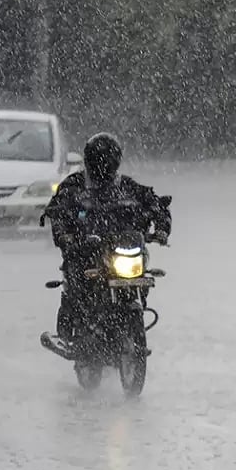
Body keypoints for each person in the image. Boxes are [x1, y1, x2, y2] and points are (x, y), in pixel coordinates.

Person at [44, 133, 171, 344]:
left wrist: (161, 229)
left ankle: (127, 325)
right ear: (89, 160)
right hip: (86, 251)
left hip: (121, 250)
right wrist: (66, 236)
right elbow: (57, 210)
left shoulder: (127, 186)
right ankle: (73, 330)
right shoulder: (74, 185)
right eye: (99, 159)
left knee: (141, 268)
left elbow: (155, 203)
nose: (104, 165)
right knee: (77, 276)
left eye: (108, 159)